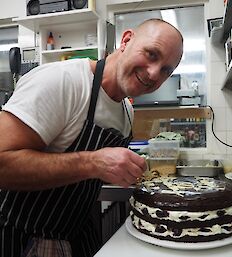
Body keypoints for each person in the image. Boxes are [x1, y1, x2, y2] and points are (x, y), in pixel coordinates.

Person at [0, 19, 183, 257]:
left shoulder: (126, 111)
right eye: (151, 54)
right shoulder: (63, 81)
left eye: (166, 70)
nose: (153, 73)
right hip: (23, 238)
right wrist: (92, 163)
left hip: (77, 234)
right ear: (126, 40)